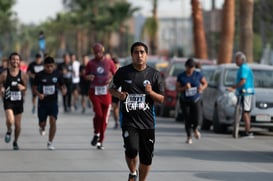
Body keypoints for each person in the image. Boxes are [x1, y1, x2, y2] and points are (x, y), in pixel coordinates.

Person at [109, 42, 164, 181]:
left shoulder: (155, 75)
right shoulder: (122, 72)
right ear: (132, 55)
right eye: (136, 52)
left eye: (142, 52)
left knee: (146, 158)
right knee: (131, 150)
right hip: (129, 121)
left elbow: (162, 99)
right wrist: (118, 95)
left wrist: (150, 92)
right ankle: (133, 172)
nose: (139, 55)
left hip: (148, 123)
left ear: (146, 55)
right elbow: (111, 89)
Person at [85, 43, 116, 150]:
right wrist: (89, 77)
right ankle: (96, 132)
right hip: (94, 92)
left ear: (102, 51)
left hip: (106, 93)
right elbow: (85, 75)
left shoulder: (109, 62)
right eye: (95, 52)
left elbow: (115, 74)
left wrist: (111, 80)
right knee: (98, 114)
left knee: (104, 118)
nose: (97, 54)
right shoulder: (91, 63)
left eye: (99, 52)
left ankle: (100, 140)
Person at [33, 56, 67, 150]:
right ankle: (42, 127)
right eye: (47, 66)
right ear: (44, 66)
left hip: (53, 102)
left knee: (53, 121)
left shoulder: (58, 74)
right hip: (42, 103)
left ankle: (50, 142)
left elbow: (62, 85)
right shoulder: (39, 75)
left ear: (54, 66)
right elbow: (34, 88)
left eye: (51, 66)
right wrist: (39, 94)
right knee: (42, 123)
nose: (49, 68)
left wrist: (64, 90)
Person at [176, 58, 208, 144]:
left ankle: (195, 129)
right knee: (187, 119)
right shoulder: (181, 76)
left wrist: (202, 88)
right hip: (184, 100)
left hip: (196, 99)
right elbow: (177, 89)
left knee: (197, 118)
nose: (191, 69)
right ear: (186, 67)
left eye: (192, 67)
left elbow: (205, 83)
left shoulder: (198, 74)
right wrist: (184, 88)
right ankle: (189, 136)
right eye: (189, 67)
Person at [0, 52, 28, 150]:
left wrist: (23, 88)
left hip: (18, 102)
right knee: (9, 120)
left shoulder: (23, 75)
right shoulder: (4, 74)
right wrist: (2, 89)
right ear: (10, 61)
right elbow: (0, 84)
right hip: (8, 100)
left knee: (18, 126)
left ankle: (15, 141)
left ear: (19, 61)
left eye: (17, 59)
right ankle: (8, 130)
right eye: (13, 59)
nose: (15, 61)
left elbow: (26, 88)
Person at [227, 51, 255, 137]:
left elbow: (243, 80)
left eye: (237, 59)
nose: (235, 61)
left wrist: (233, 88)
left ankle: (248, 131)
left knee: (245, 112)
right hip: (243, 93)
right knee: (245, 112)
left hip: (246, 93)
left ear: (241, 60)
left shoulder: (243, 68)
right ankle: (247, 130)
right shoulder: (243, 68)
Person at [111, 56, 121, 129]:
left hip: (123, 91)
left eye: (116, 63)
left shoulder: (122, 71)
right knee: (115, 107)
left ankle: (122, 120)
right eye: (114, 63)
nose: (115, 65)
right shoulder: (110, 72)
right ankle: (116, 122)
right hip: (114, 91)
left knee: (121, 107)